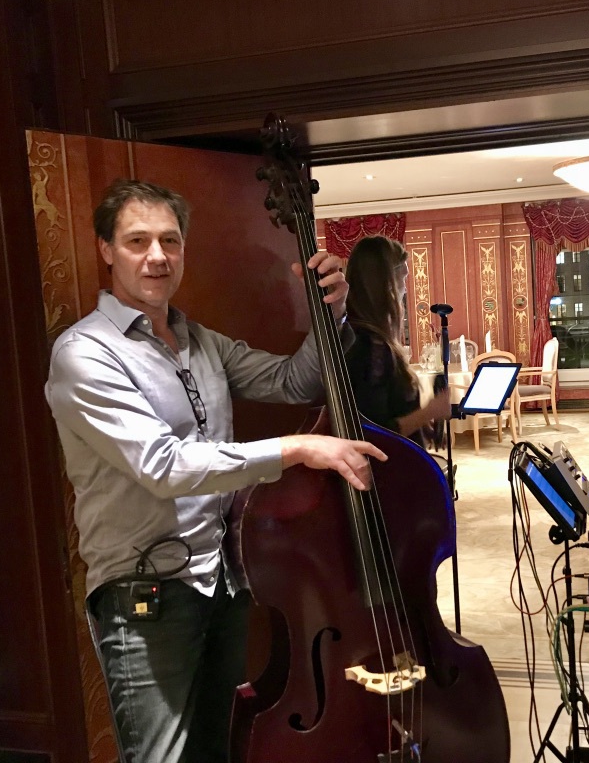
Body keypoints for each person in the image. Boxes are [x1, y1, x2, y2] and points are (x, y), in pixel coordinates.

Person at [44, 179, 386, 763]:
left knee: (217, 750)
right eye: (137, 241)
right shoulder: (85, 354)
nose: (157, 256)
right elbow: (163, 466)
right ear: (106, 249)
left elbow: (292, 381)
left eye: (170, 241)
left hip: (222, 580)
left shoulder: (198, 340)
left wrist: (330, 312)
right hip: (146, 595)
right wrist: (296, 448)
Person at [343, 235, 451, 447]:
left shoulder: (361, 336)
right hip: (390, 465)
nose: (404, 289)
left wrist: (422, 427)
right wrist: (430, 411)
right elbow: (375, 432)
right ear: (386, 284)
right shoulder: (370, 347)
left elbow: (390, 409)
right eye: (402, 279)